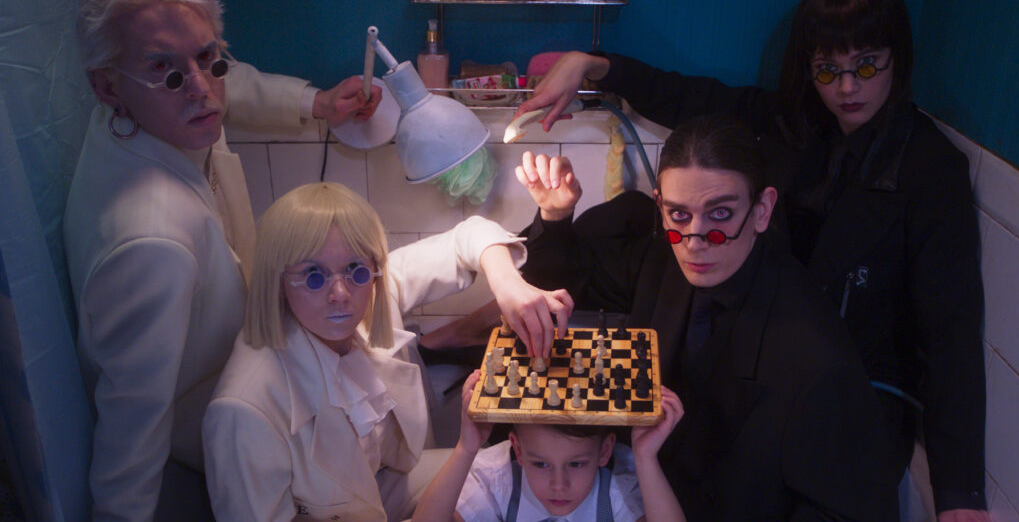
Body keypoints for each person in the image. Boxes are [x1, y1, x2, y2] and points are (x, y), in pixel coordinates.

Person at [515, 0, 987, 522]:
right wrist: (596, 66)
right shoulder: (794, 126)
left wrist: (960, 493)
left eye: (865, 65)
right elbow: (692, 100)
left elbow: (951, 328)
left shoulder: (928, 171)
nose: (846, 87)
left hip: (852, 384)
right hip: (755, 348)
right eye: (827, 69)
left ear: (761, 209)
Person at [63, 0, 385, 521]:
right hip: (227, 440)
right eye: (165, 70)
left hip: (250, 378)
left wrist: (315, 104)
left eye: (208, 57)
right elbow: (131, 435)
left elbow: (223, 81)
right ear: (106, 85)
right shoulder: (153, 243)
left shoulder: (152, 116)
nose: (203, 89)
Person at [515, 116, 897, 521]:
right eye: (679, 215)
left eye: (720, 214)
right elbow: (565, 285)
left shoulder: (815, 357)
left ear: (762, 210)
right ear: (660, 206)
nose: (696, 242)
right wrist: (555, 217)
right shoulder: (665, 260)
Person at [202, 182, 573, 522]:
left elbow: (470, 236)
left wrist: (508, 285)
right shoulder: (243, 412)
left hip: (384, 486)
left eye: (355, 269)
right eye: (314, 275)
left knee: (512, 473)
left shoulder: (371, 296)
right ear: (278, 279)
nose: (341, 294)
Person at [411, 371, 686, 522]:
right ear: (518, 450)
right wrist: (465, 450)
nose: (559, 485)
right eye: (540, 464)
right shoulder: (497, 476)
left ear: (604, 451)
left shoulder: (618, 487)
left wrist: (646, 458)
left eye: (576, 464)